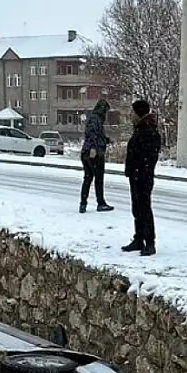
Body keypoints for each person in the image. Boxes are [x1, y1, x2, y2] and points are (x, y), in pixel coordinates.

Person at [121, 99, 162, 256]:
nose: (130, 115)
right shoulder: (139, 129)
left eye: (132, 112)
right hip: (136, 174)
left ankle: (150, 242)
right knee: (137, 208)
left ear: (139, 113)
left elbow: (149, 156)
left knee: (144, 208)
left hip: (143, 175)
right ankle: (139, 238)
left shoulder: (149, 131)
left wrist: (140, 169)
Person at [80, 98, 114, 214]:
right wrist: (95, 147)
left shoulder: (94, 118)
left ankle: (83, 204)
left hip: (86, 152)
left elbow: (95, 135)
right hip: (94, 153)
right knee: (98, 179)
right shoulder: (96, 119)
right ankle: (100, 203)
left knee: (88, 177)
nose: (106, 114)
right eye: (106, 111)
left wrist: (106, 140)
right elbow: (93, 135)